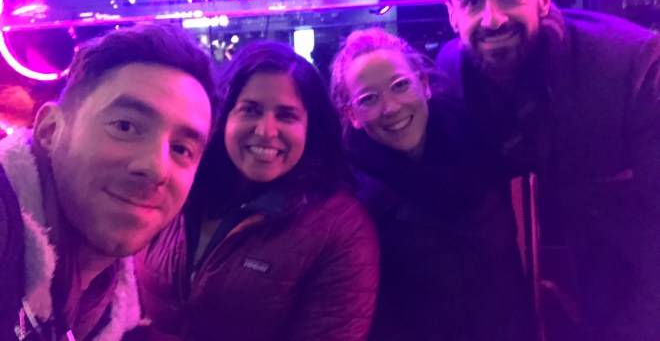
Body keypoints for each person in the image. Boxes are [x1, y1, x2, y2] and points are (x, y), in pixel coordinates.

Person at [436, 0, 660, 341]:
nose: (493, 19)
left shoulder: (632, 67)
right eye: (472, 1)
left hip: (632, 301)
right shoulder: (451, 72)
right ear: (452, 15)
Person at [134, 40, 379, 341]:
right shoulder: (181, 187)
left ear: (310, 127)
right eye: (250, 110)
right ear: (224, 115)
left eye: (286, 115)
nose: (266, 131)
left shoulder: (341, 229)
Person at [0, 24, 218, 341]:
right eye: (125, 126)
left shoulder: (104, 304)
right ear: (50, 131)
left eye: (182, 149)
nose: (157, 168)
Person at [330, 27, 534, 340]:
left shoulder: (483, 144)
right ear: (352, 114)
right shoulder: (352, 205)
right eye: (368, 99)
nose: (391, 108)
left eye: (400, 85)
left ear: (424, 85)